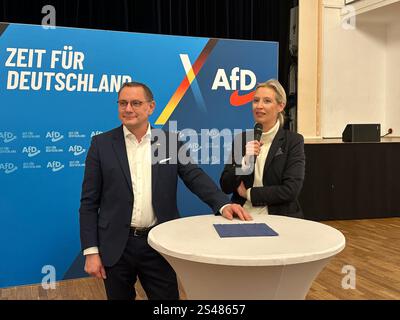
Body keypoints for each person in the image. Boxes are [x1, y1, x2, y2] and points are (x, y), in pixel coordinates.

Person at [79, 81, 248, 300]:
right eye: (123, 103)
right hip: (116, 245)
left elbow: (194, 176)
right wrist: (91, 251)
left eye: (136, 103)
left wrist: (223, 203)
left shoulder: (168, 142)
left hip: (158, 242)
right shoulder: (101, 144)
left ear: (151, 107)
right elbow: (89, 203)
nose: (128, 109)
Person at [220, 79, 305, 220]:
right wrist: (244, 161)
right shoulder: (242, 139)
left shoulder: (293, 141)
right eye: (255, 101)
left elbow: (290, 190)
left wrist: (249, 194)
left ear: (280, 106)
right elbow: (226, 186)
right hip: (242, 215)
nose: (259, 106)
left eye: (266, 101)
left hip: (279, 216)